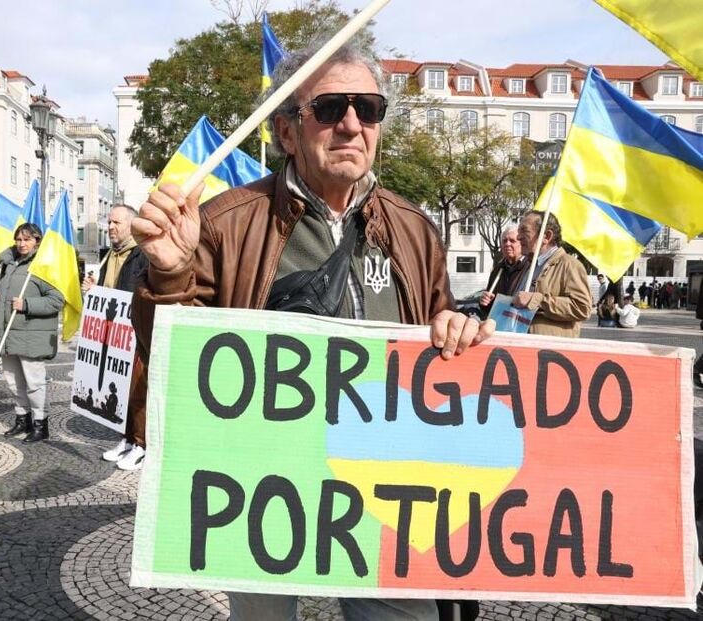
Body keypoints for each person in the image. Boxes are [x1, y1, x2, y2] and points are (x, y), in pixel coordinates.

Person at [130, 37, 493, 621]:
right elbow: (169, 355)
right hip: (262, 489)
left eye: (368, 109)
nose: (351, 124)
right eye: (329, 109)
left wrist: (456, 332)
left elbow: (440, 342)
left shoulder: (414, 230)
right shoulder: (223, 223)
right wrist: (169, 275)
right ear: (287, 131)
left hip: (386, 487)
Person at [0, 223, 64, 443]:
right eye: (19, 239)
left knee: (34, 383)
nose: (22, 244)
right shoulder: (8, 265)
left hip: (31, 336)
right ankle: (23, 419)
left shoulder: (43, 267)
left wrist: (27, 304)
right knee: (13, 382)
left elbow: (56, 300)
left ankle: (41, 424)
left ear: (37, 241)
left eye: (27, 239)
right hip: (8, 334)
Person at [93, 205, 150, 470]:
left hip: (136, 335)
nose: (110, 227)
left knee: (138, 392)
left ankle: (141, 444)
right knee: (120, 389)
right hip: (114, 333)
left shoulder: (142, 255)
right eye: (109, 223)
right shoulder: (110, 255)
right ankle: (126, 439)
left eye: (116, 222)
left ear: (131, 225)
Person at [513, 211, 592, 337]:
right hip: (523, 347)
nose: (518, 237)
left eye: (524, 231)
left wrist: (537, 300)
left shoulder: (569, 265)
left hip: (550, 352)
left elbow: (582, 308)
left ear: (546, 236)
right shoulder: (528, 266)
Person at [479, 225, 527, 317]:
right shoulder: (497, 270)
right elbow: (488, 307)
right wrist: (484, 301)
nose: (507, 244)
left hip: (520, 324)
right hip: (498, 323)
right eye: (504, 241)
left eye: (512, 241)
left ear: (521, 244)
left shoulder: (530, 267)